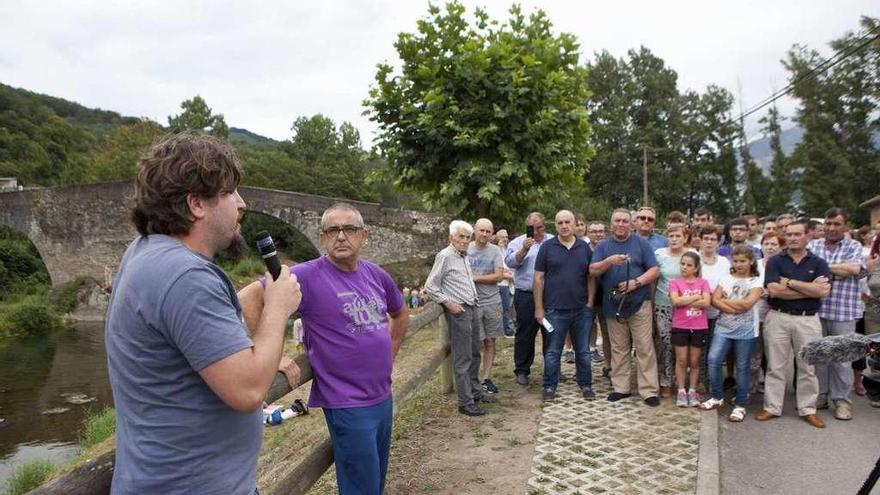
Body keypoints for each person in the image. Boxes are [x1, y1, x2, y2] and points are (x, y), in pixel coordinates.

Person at [105, 132, 302, 494]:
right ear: (196, 203)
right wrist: (277, 308)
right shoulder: (185, 276)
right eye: (230, 192)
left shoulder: (145, 252)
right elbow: (247, 390)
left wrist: (256, 343)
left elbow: (190, 340)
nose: (242, 204)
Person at [240, 202, 408, 495]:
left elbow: (400, 313)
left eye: (349, 229)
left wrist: (389, 353)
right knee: (361, 487)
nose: (341, 236)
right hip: (347, 402)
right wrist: (272, 353)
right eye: (332, 230)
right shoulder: (306, 275)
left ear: (363, 235)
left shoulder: (376, 274)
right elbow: (248, 298)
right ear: (322, 237)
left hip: (382, 395)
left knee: (375, 479)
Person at [758, 220, 830, 428]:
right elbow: (773, 290)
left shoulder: (818, 263)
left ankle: (808, 409)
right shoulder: (775, 261)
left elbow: (822, 292)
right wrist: (808, 289)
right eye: (788, 235)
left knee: (807, 367)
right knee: (775, 366)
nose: (792, 238)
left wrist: (789, 282)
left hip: (808, 320)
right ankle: (772, 407)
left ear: (807, 236)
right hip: (778, 317)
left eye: (797, 234)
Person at [425, 220, 497, 416]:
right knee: (463, 357)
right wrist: (448, 303)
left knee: (475, 352)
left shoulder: (463, 256)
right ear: (451, 238)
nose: (465, 241)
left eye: (467, 237)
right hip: (460, 311)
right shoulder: (445, 256)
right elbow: (430, 286)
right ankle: (465, 402)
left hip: (472, 307)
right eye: (461, 237)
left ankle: (474, 392)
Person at [590, 209, 661, 406]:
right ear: (611, 224)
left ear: (631, 224)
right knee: (619, 348)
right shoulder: (604, 246)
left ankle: (648, 391)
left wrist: (636, 282)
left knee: (644, 347)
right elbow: (593, 270)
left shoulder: (641, 243)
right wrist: (608, 261)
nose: (621, 224)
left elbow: (654, 270)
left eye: (625, 221)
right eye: (617, 221)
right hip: (613, 305)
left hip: (639, 302)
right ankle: (621, 388)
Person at [806, 207, 866, 421]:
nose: (831, 228)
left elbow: (853, 269)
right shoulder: (813, 245)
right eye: (828, 224)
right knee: (819, 356)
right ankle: (821, 396)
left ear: (845, 225)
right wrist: (835, 268)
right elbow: (807, 269)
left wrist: (822, 267)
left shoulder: (854, 245)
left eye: (836, 224)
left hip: (844, 311)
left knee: (842, 359)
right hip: (816, 311)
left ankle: (842, 401)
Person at [533, 210, 596, 401]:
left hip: (580, 309)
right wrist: (539, 308)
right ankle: (550, 386)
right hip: (554, 309)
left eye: (567, 222)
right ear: (556, 225)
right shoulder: (546, 247)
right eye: (560, 223)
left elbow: (590, 276)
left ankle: (585, 384)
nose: (564, 226)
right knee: (553, 351)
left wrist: (590, 302)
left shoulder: (584, 248)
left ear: (575, 223)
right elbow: (538, 279)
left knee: (583, 351)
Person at [701, 246, 763, 423]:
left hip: (746, 330)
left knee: (742, 366)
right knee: (713, 359)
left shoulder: (756, 282)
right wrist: (734, 306)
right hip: (723, 327)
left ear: (750, 261)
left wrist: (726, 303)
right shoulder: (726, 278)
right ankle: (717, 396)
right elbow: (714, 300)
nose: (739, 264)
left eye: (743, 261)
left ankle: (740, 404)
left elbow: (748, 304)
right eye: (736, 261)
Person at [506, 212, 555, 385]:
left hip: (551, 294)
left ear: (545, 225)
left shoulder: (553, 241)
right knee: (525, 333)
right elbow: (510, 263)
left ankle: (552, 369)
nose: (536, 232)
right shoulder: (517, 242)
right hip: (526, 294)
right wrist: (524, 250)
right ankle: (522, 370)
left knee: (552, 333)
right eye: (532, 229)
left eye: (539, 227)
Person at [467, 218, 506, 395]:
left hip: (491, 301)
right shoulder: (465, 249)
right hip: (471, 302)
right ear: (475, 230)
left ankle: (486, 378)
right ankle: (472, 379)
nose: (484, 234)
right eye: (481, 230)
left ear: (492, 234)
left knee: (490, 341)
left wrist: (475, 278)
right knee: (474, 343)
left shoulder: (495, 251)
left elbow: (499, 276)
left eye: (488, 231)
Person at [669, 252, 711, 407]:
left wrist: (685, 300)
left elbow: (706, 303)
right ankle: (681, 390)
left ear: (696, 268)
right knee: (681, 360)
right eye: (682, 264)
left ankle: (692, 390)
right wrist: (696, 297)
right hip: (681, 326)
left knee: (694, 361)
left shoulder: (703, 283)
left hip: (699, 326)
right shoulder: (675, 283)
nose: (684, 267)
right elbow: (675, 301)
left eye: (689, 265)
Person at [653, 224, 688, 397]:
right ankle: (665, 381)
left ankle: (680, 381)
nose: (674, 239)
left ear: (685, 238)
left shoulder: (692, 255)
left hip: (684, 307)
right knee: (664, 345)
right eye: (671, 236)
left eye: (678, 236)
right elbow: (653, 278)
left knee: (680, 346)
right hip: (662, 305)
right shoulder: (659, 254)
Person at [697, 225, 732, 394]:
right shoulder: (694, 258)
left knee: (714, 352)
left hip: (718, 313)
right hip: (697, 312)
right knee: (699, 352)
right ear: (700, 240)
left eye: (713, 239)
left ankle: (713, 384)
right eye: (706, 238)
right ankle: (700, 383)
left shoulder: (724, 262)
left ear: (718, 242)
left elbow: (726, 286)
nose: (709, 242)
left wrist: (714, 296)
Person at [586, 220, 611, 375]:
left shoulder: (609, 249)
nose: (597, 234)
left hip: (606, 298)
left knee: (608, 335)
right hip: (586, 298)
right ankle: (583, 368)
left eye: (600, 231)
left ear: (605, 232)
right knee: (583, 333)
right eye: (594, 231)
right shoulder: (582, 249)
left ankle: (609, 366)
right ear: (588, 233)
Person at [494, 229, 515, 337]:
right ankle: (505, 330)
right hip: (501, 284)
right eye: (502, 237)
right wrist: (508, 274)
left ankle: (507, 327)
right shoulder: (496, 251)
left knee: (508, 307)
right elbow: (498, 270)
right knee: (504, 308)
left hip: (509, 284)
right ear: (498, 238)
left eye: (506, 237)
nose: (505, 239)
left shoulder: (507, 250)